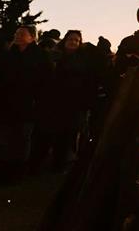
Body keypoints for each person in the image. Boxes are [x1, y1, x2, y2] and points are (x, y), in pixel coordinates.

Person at [0, 25, 51, 184]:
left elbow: (45, 82)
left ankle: (18, 171)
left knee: (22, 138)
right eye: (17, 33)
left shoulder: (40, 56)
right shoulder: (9, 54)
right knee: (4, 138)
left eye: (22, 34)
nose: (17, 36)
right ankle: (4, 170)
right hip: (5, 103)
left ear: (32, 37)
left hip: (27, 105)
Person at [32, 30, 96, 172]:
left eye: (76, 40)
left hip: (71, 105)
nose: (73, 42)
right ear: (65, 40)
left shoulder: (83, 60)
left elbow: (87, 82)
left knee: (64, 138)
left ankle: (58, 164)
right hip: (51, 103)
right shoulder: (53, 56)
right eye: (71, 39)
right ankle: (35, 164)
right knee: (44, 136)